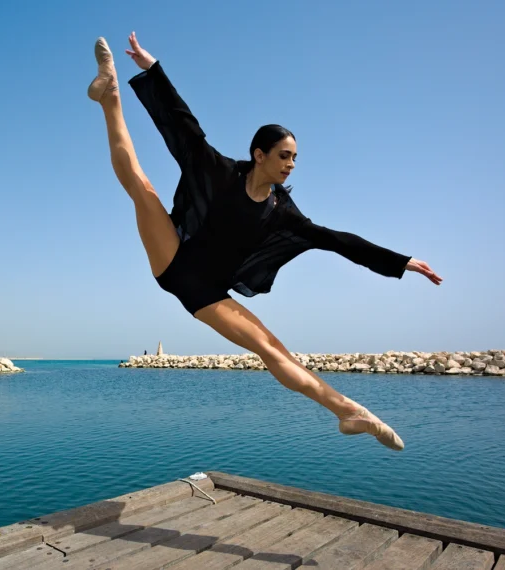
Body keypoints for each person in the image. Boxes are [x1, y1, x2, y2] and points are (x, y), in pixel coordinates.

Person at [87, 33, 443, 451]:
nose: (291, 165)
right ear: (259, 154)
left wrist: (401, 261)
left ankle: (349, 411)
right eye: (283, 156)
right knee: (141, 185)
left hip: (205, 292)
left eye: (294, 158)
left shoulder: (282, 212)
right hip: (175, 257)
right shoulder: (220, 172)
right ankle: (109, 94)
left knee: (272, 348)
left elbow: (339, 240)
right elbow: (183, 124)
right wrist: (153, 70)